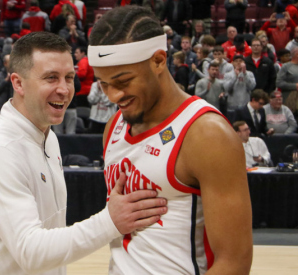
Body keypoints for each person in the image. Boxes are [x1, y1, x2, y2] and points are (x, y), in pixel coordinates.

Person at [0, 31, 168, 274]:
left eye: (69, 77)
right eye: (51, 78)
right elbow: (31, 251)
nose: (64, 89)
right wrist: (110, 222)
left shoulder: (48, 138)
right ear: (17, 83)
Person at [89, 6, 252, 274]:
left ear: (158, 60)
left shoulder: (207, 135)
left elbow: (234, 263)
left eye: (123, 80)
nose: (114, 95)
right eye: (104, 84)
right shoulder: (114, 125)